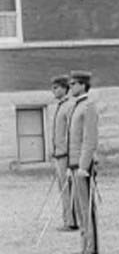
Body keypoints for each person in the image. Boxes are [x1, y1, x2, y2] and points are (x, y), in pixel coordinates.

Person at [65, 70, 99, 254]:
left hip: (82, 167)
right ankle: (84, 244)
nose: (71, 87)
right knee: (79, 207)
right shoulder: (76, 107)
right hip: (74, 165)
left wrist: (84, 166)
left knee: (86, 208)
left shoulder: (88, 107)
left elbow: (89, 139)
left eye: (74, 84)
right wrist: (71, 167)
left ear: (83, 85)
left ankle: (91, 246)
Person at [47, 75, 77, 232]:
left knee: (67, 188)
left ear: (65, 88)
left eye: (57, 87)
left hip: (66, 155)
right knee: (63, 188)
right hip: (59, 155)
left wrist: (71, 157)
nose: (54, 90)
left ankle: (71, 221)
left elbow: (71, 133)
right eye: (53, 87)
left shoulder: (68, 106)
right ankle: (68, 218)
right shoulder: (60, 106)